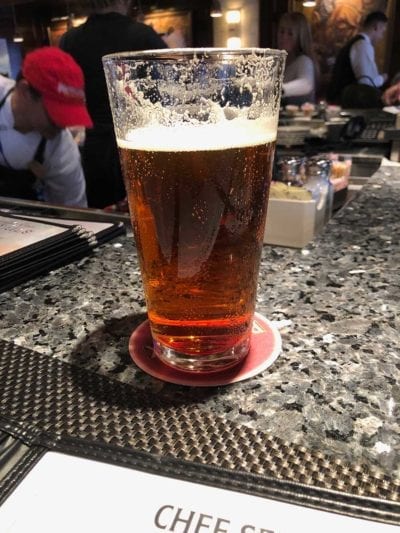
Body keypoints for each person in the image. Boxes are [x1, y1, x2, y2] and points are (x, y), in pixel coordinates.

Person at [60, 0, 167, 209]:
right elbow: (170, 95)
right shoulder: (144, 35)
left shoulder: (70, 40)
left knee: (103, 216)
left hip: (94, 146)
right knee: (146, 211)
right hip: (141, 142)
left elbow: (67, 98)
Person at [0, 47, 92, 207]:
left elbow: (73, 211)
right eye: (54, 114)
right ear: (24, 91)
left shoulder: (61, 149)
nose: (62, 126)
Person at [327, 11, 388, 105]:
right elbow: (366, 83)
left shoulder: (358, 43)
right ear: (376, 27)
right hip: (346, 104)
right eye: (382, 32)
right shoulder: (362, 45)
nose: (381, 37)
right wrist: (383, 78)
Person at [277, 12, 317, 106]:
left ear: (300, 37)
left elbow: (306, 84)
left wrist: (276, 89)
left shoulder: (304, 61)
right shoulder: (280, 62)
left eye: (290, 33)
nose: (284, 37)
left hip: (303, 119)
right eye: (282, 31)